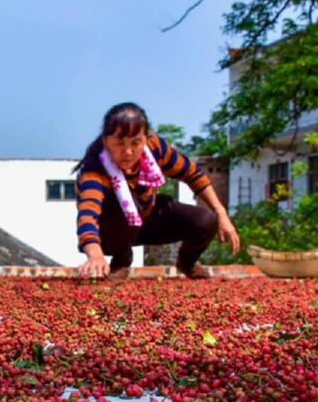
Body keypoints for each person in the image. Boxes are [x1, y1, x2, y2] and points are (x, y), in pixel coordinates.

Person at [74, 102, 240, 279]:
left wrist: (221, 212)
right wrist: (95, 256)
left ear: (146, 138)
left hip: (148, 217)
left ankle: (187, 263)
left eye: (136, 142)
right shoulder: (95, 171)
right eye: (120, 143)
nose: (128, 152)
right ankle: (121, 261)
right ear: (106, 141)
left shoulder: (155, 147)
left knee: (206, 220)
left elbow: (193, 175)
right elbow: (87, 217)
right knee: (125, 203)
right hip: (112, 231)